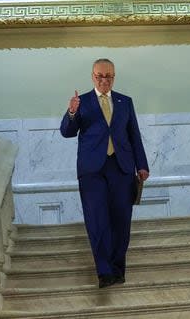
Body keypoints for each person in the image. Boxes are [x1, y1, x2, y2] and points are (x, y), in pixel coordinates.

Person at [60, 58, 150, 289]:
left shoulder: (125, 102)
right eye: (99, 76)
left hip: (121, 168)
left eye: (108, 76)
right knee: (97, 220)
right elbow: (67, 132)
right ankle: (104, 271)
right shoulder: (82, 102)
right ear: (92, 77)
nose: (104, 80)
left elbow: (134, 135)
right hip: (92, 170)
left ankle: (118, 269)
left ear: (114, 77)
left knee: (121, 221)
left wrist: (142, 165)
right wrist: (71, 112)